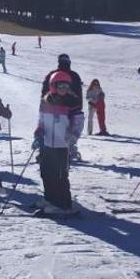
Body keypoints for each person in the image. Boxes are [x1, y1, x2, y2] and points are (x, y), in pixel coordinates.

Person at [33, 71, 79, 211]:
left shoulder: (72, 102)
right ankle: (50, 199)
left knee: (60, 175)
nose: (63, 89)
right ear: (53, 85)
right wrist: (38, 131)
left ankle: (63, 203)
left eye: (66, 86)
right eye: (60, 86)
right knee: (46, 173)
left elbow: (78, 123)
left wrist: (72, 137)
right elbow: (41, 120)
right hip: (47, 144)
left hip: (62, 146)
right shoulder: (45, 101)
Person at [41, 54, 84, 161]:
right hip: (71, 107)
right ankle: (67, 149)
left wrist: (43, 105)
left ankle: (48, 150)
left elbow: (44, 92)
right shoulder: (74, 75)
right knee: (67, 129)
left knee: (52, 129)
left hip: (53, 106)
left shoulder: (52, 75)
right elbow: (79, 94)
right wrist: (78, 107)